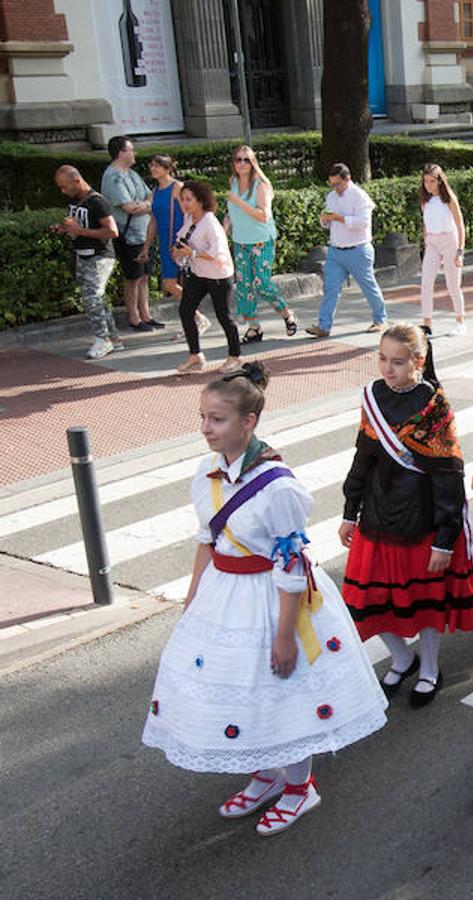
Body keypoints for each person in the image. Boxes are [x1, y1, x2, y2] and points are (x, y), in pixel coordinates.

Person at [141, 363, 388, 836]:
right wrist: (193, 598)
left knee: (283, 694)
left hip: (271, 598)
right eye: (204, 417)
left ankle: (300, 788)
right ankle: (265, 776)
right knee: (238, 691)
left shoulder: (278, 486)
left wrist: (284, 635)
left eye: (218, 419)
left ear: (248, 422)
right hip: (223, 593)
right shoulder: (206, 471)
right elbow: (206, 539)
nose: (206, 429)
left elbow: (291, 564)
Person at [339, 324, 473, 707]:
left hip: (422, 519)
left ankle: (430, 667)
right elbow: (362, 457)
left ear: (419, 361)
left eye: (398, 362)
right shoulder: (373, 397)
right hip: (379, 513)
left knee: (425, 602)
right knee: (365, 598)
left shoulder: (435, 406)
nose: (388, 368)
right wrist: (350, 510)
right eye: (382, 359)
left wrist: (445, 539)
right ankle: (402, 656)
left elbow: (449, 475)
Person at [307, 164, 388, 339]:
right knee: (330, 288)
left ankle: (380, 319)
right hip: (336, 251)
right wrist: (325, 220)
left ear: (347, 179)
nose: (335, 188)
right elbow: (327, 222)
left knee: (368, 286)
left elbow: (363, 223)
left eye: (338, 184)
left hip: (358, 249)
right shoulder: (331, 197)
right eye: (332, 184)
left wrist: (339, 218)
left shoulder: (359, 196)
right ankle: (323, 326)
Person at [52, 165, 125, 359]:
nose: (63, 191)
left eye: (65, 186)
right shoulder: (74, 201)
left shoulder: (97, 202)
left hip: (99, 255)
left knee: (91, 297)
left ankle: (103, 339)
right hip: (82, 254)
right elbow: (78, 225)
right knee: (97, 298)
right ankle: (114, 338)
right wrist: (64, 228)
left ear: (77, 181)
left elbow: (112, 231)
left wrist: (79, 231)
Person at [227, 146, 296, 343]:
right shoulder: (233, 182)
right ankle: (253, 327)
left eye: (246, 160)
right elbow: (231, 213)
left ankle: (286, 314)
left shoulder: (261, 185)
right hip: (240, 241)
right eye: (238, 160)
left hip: (260, 241)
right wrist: (223, 233)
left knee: (261, 282)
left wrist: (239, 202)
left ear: (253, 163)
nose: (241, 163)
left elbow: (263, 215)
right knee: (244, 286)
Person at [173, 181, 242, 376]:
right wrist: (177, 250)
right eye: (182, 199)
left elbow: (217, 252)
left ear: (201, 201)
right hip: (199, 273)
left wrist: (192, 253)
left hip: (218, 275)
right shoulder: (189, 218)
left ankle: (235, 356)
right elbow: (182, 238)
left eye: (189, 199)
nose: (184, 203)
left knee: (223, 316)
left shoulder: (210, 223)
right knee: (185, 309)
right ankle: (195, 355)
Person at [101, 135, 154, 332]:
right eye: (131, 150)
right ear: (121, 153)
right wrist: (146, 205)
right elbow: (129, 207)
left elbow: (149, 194)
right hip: (129, 235)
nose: (135, 153)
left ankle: (146, 314)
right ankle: (134, 317)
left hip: (144, 233)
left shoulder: (131, 173)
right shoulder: (113, 177)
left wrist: (145, 204)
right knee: (133, 277)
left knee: (145, 275)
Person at [416, 164, 468, 335]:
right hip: (432, 242)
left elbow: (460, 225)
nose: (428, 185)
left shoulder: (449, 199)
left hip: (450, 241)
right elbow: (426, 222)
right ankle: (427, 325)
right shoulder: (425, 200)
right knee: (426, 283)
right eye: (425, 181)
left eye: (432, 181)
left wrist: (460, 251)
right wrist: (426, 241)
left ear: (440, 181)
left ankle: (460, 321)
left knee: (453, 284)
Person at [144, 154, 189, 311]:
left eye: (157, 166)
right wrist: (146, 247)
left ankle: (194, 316)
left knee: (177, 282)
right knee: (169, 284)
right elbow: (153, 222)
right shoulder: (154, 192)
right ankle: (195, 315)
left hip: (179, 240)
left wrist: (185, 239)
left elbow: (188, 214)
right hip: (164, 241)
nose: (152, 169)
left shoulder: (177, 187)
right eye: (151, 165)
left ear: (167, 169)